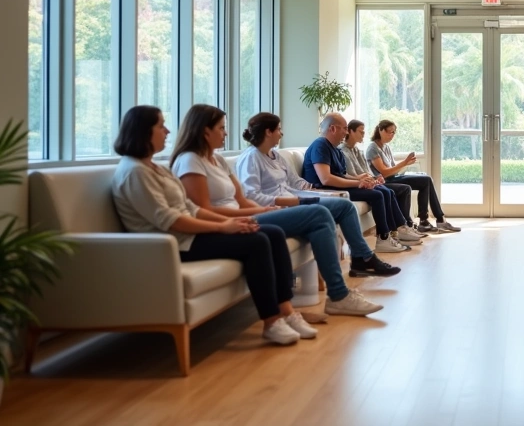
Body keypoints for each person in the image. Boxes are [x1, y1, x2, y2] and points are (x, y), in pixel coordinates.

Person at [110, 106, 310, 345]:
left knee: (273, 233)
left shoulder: (154, 168)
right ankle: (271, 321)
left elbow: (191, 208)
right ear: (143, 131)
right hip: (173, 244)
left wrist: (231, 221)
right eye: (160, 125)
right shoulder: (134, 173)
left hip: (189, 235)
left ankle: (287, 312)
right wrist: (223, 227)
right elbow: (170, 220)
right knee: (257, 241)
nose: (167, 130)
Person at [170, 104, 383, 317]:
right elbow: (205, 208)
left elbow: (244, 200)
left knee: (327, 212)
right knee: (320, 214)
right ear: (204, 130)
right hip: (238, 219)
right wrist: (265, 209)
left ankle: (332, 293)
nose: (226, 132)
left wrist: (271, 207)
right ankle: (338, 294)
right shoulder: (195, 161)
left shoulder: (218, 160)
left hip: (254, 211)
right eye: (221, 128)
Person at [234, 112, 402, 278]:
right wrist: (293, 200)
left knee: (345, 205)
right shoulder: (251, 158)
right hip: (279, 207)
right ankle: (364, 258)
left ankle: (361, 258)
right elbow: (251, 195)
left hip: (294, 200)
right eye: (278, 129)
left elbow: (296, 182)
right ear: (268, 132)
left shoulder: (276, 156)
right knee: (343, 206)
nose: (281, 133)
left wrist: (317, 191)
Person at [302, 113, 416, 253]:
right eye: (344, 128)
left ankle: (392, 234)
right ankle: (384, 238)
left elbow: (344, 175)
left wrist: (365, 180)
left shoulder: (335, 149)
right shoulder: (320, 145)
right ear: (332, 129)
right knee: (377, 195)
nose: (346, 132)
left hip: (336, 186)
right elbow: (326, 179)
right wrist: (358, 184)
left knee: (383, 190)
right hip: (325, 190)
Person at [365, 119, 460, 233]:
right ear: (380, 130)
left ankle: (432, 220)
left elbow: (394, 169)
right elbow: (384, 172)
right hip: (385, 181)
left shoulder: (386, 147)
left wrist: (406, 165)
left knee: (426, 179)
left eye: (394, 132)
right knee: (424, 180)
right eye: (390, 132)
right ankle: (427, 221)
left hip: (393, 177)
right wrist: (404, 162)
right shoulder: (372, 148)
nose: (392, 135)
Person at [340, 119, 423, 246]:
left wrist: (375, 178)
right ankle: (390, 233)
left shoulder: (358, 150)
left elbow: (367, 171)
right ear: (350, 132)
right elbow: (353, 175)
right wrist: (370, 178)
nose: (363, 135)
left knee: (388, 191)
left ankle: (398, 229)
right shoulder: (343, 151)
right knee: (384, 192)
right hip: (357, 184)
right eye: (361, 132)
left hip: (367, 181)